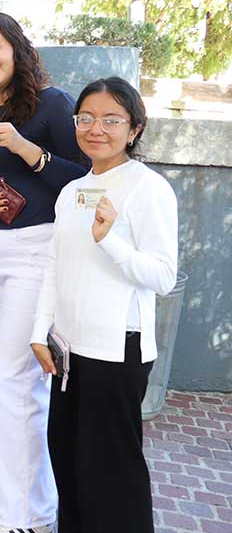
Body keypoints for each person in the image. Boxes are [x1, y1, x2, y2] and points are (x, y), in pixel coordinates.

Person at [0, 12, 89, 533]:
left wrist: (27, 150)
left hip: (34, 255)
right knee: (19, 388)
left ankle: (19, 519)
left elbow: (85, 179)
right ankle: (25, 500)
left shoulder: (53, 104)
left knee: (5, 383)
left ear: (16, 48)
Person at [31, 76, 177, 533]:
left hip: (117, 351)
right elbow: (54, 263)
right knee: (69, 463)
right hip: (69, 353)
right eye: (87, 118)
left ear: (134, 129)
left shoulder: (148, 188)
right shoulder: (73, 190)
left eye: (112, 119)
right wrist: (39, 333)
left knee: (111, 475)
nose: (96, 129)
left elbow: (163, 277)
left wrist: (109, 239)